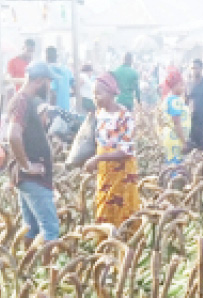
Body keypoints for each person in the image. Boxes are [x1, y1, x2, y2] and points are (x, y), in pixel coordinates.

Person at [7, 61, 58, 248]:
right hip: (32, 177)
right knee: (50, 230)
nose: (50, 87)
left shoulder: (26, 101)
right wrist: (27, 165)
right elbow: (13, 135)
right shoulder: (22, 101)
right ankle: (50, 274)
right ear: (39, 81)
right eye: (48, 82)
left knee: (31, 229)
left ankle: (27, 271)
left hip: (28, 177)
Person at [84, 73, 140, 226]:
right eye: (93, 94)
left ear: (110, 93)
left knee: (124, 209)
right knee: (105, 206)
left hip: (122, 171)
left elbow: (124, 151)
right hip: (105, 170)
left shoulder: (125, 117)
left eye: (99, 93)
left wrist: (97, 159)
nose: (95, 97)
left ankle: (126, 244)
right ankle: (106, 243)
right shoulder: (99, 114)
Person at [161, 68, 190, 165]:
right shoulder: (175, 100)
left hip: (172, 138)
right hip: (176, 139)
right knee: (176, 167)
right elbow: (177, 122)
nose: (183, 87)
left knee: (172, 166)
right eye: (181, 85)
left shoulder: (170, 98)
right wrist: (184, 142)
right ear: (175, 85)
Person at [44, 47, 74, 112]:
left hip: (55, 112)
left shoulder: (47, 70)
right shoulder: (66, 69)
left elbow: (53, 93)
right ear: (57, 56)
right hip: (66, 110)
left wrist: (51, 112)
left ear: (46, 56)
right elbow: (75, 88)